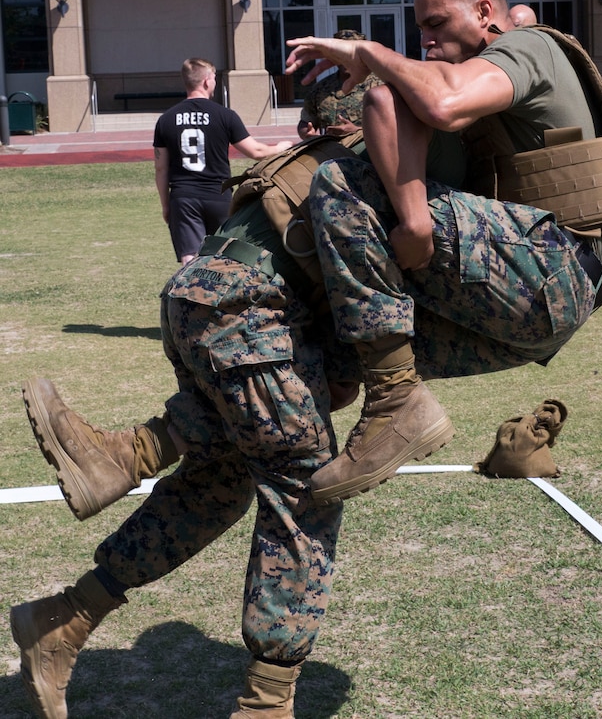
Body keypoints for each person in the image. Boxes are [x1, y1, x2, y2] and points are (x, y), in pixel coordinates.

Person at [9, 187, 359, 718]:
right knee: (307, 487)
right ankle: (265, 706)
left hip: (204, 292)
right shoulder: (387, 160)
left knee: (217, 483)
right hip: (251, 311)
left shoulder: (328, 155)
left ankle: (64, 616)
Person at [285, 0, 602, 504]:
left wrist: (413, 221)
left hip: (553, 269)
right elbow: (406, 108)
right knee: (325, 349)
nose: (427, 41)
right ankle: (161, 447)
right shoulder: (483, 86)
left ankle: (396, 404)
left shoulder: (528, 47)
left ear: (486, 11)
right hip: (527, 306)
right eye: (422, 31)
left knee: (340, 182)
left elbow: (421, 98)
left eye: (436, 25)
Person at [154, 57, 293, 264]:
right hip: (218, 195)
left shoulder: (166, 119)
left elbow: (161, 169)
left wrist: (166, 205)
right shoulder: (225, 115)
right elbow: (255, 151)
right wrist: (281, 147)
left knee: (190, 258)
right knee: (225, 256)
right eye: (215, 78)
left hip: (183, 197)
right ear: (207, 81)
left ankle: (190, 294)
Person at [296, 30, 381, 140]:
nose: (346, 59)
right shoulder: (320, 89)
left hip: (367, 153)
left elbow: (395, 128)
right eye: (341, 54)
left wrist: (357, 131)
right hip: (332, 152)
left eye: (351, 54)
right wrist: (307, 133)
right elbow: (306, 121)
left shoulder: (380, 87)